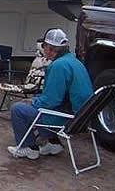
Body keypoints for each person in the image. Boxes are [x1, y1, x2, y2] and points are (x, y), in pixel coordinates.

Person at [7, 29, 93, 160]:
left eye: (43, 46)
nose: (42, 49)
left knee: (18, 109)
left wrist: (32, 101)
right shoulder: (74, 61)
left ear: (51, 48)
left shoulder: (58, 66)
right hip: (81, 116)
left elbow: (52, 100)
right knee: (40, 106)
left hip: (68, 118)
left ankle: (28, 148)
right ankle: (54, 143)